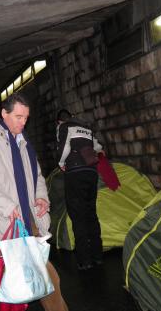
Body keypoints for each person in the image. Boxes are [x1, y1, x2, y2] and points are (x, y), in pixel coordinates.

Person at [0, 92, 68, 311]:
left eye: (26, 118)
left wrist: (41, 197)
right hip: (6, 226)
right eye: (19, 117)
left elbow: (38, 177)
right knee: (13, 288)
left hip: (30, 220)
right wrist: (7, 206)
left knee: (47, 280)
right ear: (4, 113)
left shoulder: (25, 145)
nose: (23, 122)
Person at [56, 109, 104, 270]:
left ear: (60, 122)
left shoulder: (65, 127)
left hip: (75, 172)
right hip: (91, 173)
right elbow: (98, 147)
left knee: (77, 214)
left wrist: (61, 163)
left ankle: (85, 261)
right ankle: (97, 256)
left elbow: (64, 149)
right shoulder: (87, 129)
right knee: (91, 213)